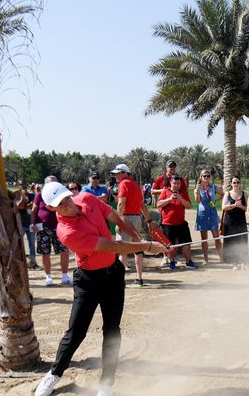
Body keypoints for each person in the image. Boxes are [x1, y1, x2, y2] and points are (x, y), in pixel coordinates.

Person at [33, 182, 168, 396]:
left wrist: (136, 236)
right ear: (51, 208)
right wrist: (146, 246)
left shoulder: (86, 199)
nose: (68, 203)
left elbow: (114, 216)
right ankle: (54, 374)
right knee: (76, 332)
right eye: (60, 203)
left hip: (113, 274)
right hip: (88, 280)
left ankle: (106, 383)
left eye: (67, 197)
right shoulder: (66, 232)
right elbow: (110, 246)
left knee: (112, 330)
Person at [112, 164, 156, 286]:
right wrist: (148, 220)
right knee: (138, 249)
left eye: (119, 173)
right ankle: (139, 278)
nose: (116, 175)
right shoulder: (136, 185)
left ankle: (120, 281)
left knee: (122, 250)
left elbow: (121, 204)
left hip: (126, 218)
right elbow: (142, 205)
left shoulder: (124, 184)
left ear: (126, 173)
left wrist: (118, 221)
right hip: (137, 218)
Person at [31, 175, 72, 286]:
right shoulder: (40, 195)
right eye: (51, 183)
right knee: (45, 253)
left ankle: (64, 276)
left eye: (56, 182)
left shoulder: (62, 195)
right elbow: (34, 210)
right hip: (43, 228)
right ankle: (48, 277)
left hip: (60, 227)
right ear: (46, 184)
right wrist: (32, 224)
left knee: (64, 251)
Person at [156, 174, 196, 269]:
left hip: (181, 223)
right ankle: (172, 262)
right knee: (170, 246)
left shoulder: (183, 192)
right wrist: (169, 199)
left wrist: (181, 199)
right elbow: (158, 204)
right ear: (171, 183)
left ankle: (188, 262)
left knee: (186, 244)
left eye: (178, 183)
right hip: (168, 224)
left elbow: (189, 205)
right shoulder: (165, 191)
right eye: (174, 183)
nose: (176, 185)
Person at [194, 169, 223, 265]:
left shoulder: (213, 187)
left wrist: (216, 201)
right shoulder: (197, 189)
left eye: (208, 176)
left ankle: (221, 257)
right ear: (201, 177)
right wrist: (197, 191)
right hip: (202, 214)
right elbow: (197, 201)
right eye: (204, 176)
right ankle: (206, 259)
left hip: (212, 213)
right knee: (204, 238)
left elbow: (223, 194)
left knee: (216, 237)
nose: (206, 178)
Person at [221, 175, 248, 270]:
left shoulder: (244, 194)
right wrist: (233, 205)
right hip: (230, 222)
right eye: (234, 182)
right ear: (231, 184)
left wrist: (240, 206)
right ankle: (234, 263)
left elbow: (248, 209)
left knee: (242, 241)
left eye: (238, 182)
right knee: (232, 242)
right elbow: (223, 207)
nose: (236, 184)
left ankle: (243, 262)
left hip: (241, 222)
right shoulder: (227, 194)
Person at [15, 180, 37, 269]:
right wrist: (22, 197)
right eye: (20, 184)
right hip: (21, 224)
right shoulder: (16, 196)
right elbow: (18, 206)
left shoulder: (32, 195)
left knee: (32, 244)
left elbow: (33, 206)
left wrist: (26, 205)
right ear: (18, 186)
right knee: (19, 243)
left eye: (24, 184)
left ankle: (33, 263)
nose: (22, 186)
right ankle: (21, 262)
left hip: (30, 223)